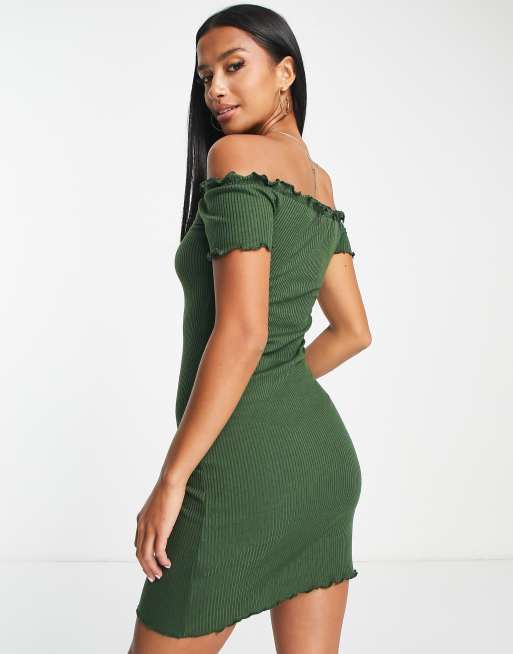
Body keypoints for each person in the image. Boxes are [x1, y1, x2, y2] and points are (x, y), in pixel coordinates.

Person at [129, 5, 371, 653]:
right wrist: (273, 387)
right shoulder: (319, 185)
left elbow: (243, 333)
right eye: (205, 75)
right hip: (322, 466)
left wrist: (171, 479)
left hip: (239, 472)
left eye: (234, 67)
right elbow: (352, 331)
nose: (215, 89)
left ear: (285, 72)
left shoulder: (234, 157)